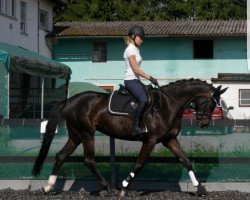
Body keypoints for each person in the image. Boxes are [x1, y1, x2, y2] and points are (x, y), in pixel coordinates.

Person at [123, 25, 158, 136]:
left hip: (136, 80)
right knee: (143, 99)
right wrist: (150, 78)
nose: (142, 40)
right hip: (130, 80)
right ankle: (136, 126)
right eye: (140, 37)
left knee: (151, 94)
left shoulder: (135, 49)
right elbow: (135, 69)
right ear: (133, 36)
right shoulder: (130, 50)